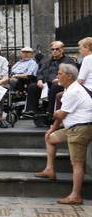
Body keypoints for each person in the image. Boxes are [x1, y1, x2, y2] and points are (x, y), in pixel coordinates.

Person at [34, 64, 92, 205]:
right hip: (72, 127)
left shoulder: (74, 91)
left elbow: (61, 113)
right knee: (50, 138)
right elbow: (60, 116)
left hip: (80, 129)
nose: (57, 76)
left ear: (69, 76)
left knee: (77, 164)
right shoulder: (69, 89)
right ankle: (49, 170)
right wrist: (52, 129)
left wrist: (54, 114)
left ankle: (76, 195)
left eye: (60, 74)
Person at [25, 41, 75, 116]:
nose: (54, 51)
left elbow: (71, 73)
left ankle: (50, 111)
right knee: (32, 86)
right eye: (52, 49)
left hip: (60, 83)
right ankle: (31, 110)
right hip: (46, 84)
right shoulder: (47, 62)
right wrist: (39, 80)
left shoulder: (68, 61)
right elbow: (40, 72)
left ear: (62, 50)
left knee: (55, 86)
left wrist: (59, 79)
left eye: (57, 49)